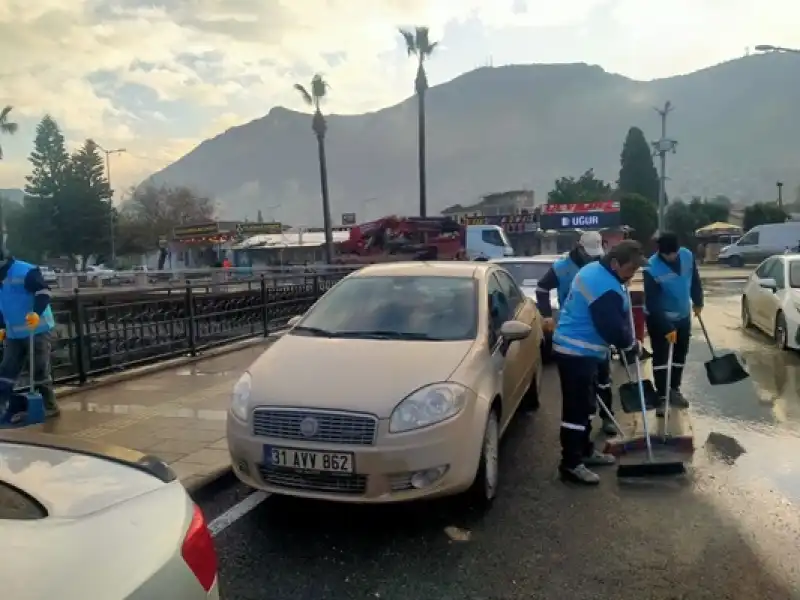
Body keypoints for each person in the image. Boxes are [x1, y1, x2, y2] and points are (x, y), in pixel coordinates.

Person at [551, 240, 645, 485]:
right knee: (576, 411)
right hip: (576, 352)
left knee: (586, 407)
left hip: (584, 351)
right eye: (630, 270)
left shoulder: (595, 271)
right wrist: (630, 345)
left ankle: (584, 452)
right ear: (615, 263)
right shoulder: (603, 284)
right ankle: (570, 464)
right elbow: (611, 327)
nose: (631, 276)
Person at [537, 231, 617, 435]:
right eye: (588, 252)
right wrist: (547, 316)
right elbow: (542, 288)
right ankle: (584, 432)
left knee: (603, 378)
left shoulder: (602, 264)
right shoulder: (562, 267)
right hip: (573, 330)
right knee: (583, 386)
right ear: (578, 247)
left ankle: (607, 417)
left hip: (599, 330)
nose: (592, 257)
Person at [643, 232, 703, 416]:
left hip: (683, 317)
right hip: (660, 319)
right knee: (661, 358)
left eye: (674, 252)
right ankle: (662, 397)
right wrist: (666, 327)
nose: (673, 256)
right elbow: (652, 303)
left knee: (679, 355)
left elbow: (694, 280)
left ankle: (674, 390)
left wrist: (698, 301)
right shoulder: (651, 268)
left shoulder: (686, 255)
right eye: (669, 254)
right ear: (661, 252)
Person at [0, 255, 59, 421]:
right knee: (7, 370)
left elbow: (44, 292)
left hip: (37, 329)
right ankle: (1, 407)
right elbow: (2, 305)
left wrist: (36, 313)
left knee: (39, 369)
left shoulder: (24, 270)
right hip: (14, 332)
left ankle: (49, 406)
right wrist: (1, 328)